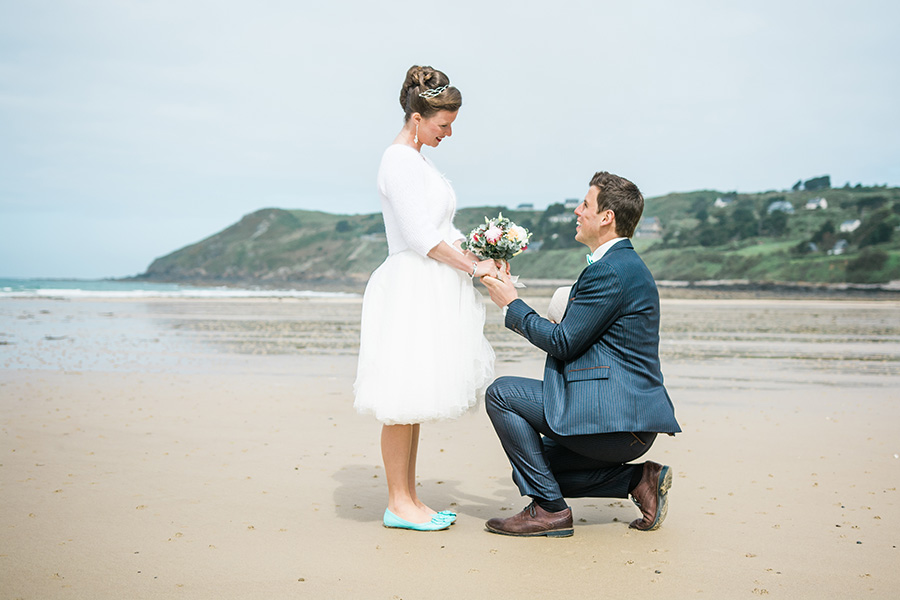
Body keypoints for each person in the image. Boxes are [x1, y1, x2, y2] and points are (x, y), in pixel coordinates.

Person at [480, 171, 681, 537]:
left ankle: (550, 512)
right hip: (626, 419)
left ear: (606, 217)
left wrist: (511, 305)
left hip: (619, 420)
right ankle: (639, 479)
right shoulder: (619, 266)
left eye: (585, 204)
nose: (577, 210)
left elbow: (563, 342)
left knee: (502, 393)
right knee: (532, 470)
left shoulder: (611, 271)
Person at [353, 65, 498, 532]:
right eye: (444, 124)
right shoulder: (397, 160)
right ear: (417, 117)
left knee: (414, 398)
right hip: (411, 286)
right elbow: (420, 237)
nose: (449, 133)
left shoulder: (419, 160)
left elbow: (443, 232)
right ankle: (398, 503)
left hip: (430, 282)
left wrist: (486, 253)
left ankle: (410, 499)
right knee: (401, 397)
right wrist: (473, 268)